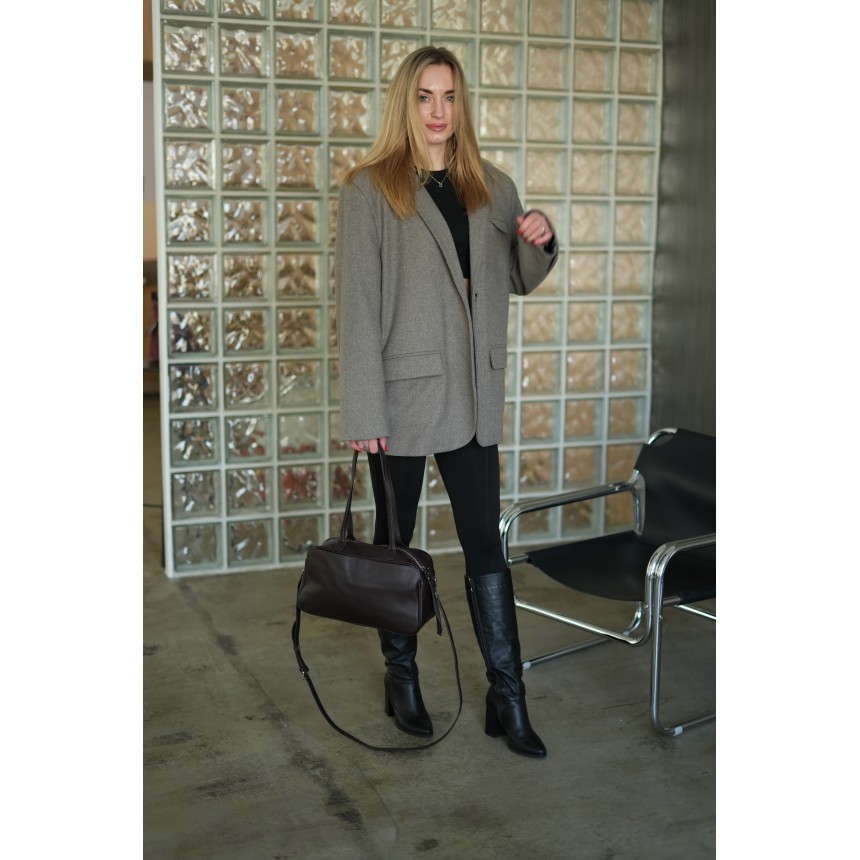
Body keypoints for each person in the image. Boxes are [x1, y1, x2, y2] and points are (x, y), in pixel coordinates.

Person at [334, 46, 557, 758]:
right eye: (426, 96)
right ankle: (402, 679)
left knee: (485, 544)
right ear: (407, 102)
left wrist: (540, 238)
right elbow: (357, 308)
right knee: (394, 543)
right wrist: (363, 411)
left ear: (462, 104)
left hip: (473, 393)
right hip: (399, 398)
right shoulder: (370, 189)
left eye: (450, 96)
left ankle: (507, 695)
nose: (439, 111)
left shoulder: (493, 186)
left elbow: (517, 278)